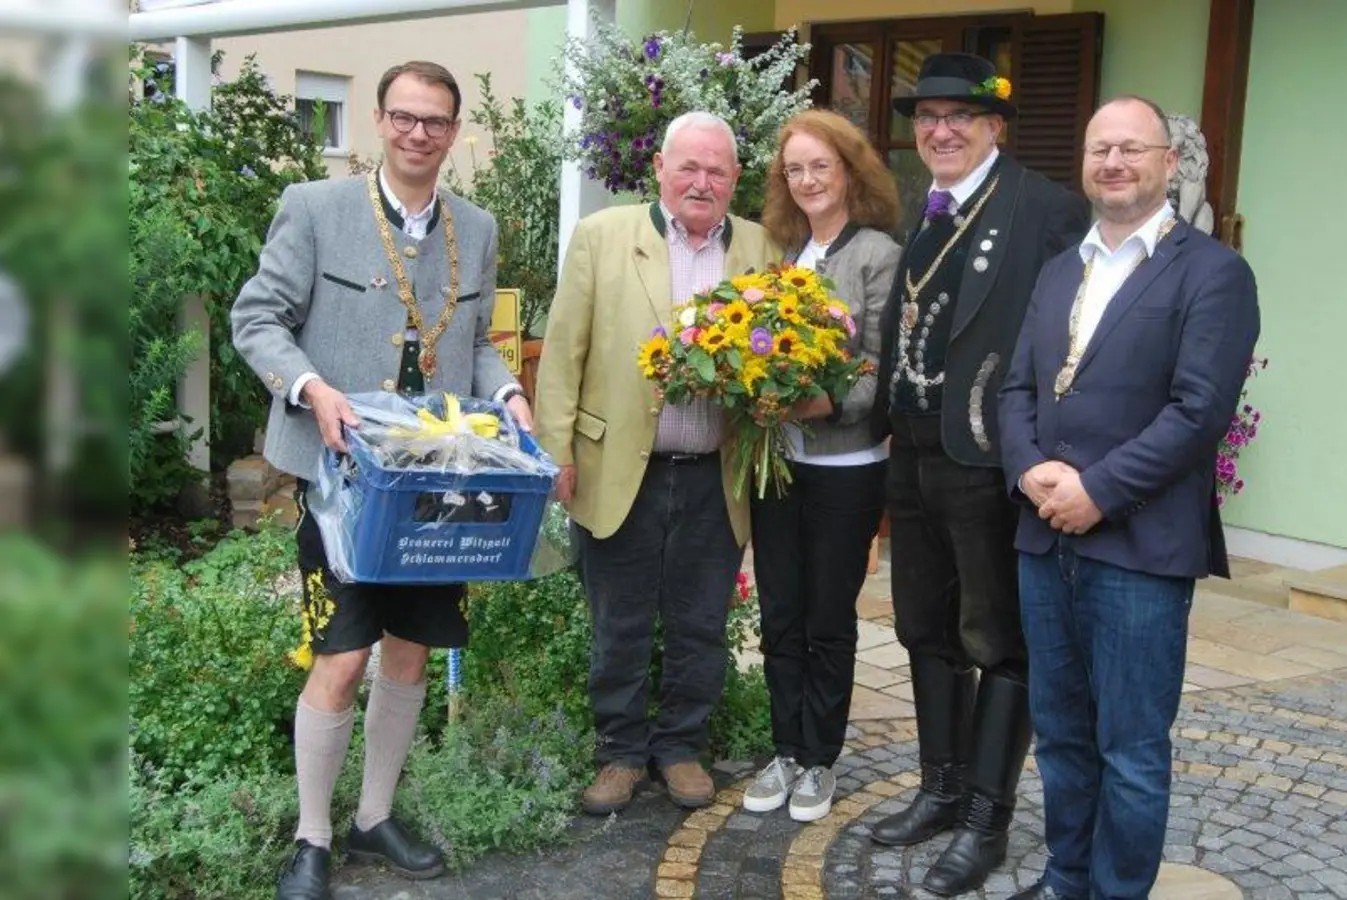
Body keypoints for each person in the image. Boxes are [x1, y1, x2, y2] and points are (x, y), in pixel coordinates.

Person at [231, 61, 531, 900]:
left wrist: (506, 391)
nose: (418, 134)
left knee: (408, 654)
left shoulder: (477, 223)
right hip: (341, 485)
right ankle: (312, 837)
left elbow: (472, 344)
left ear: (454, 131)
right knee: (340, 653)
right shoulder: (315, 208)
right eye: (404, 117)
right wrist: (312, 388)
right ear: (377, 120)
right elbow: (257, 318)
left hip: (438, 484)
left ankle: (373, 817)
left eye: (436, 121)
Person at [996, 95, 1261, 900]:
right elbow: (1015, 387)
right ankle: (1065, 878)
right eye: (1098, 149)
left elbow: (1198, 412)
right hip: (1046, 541)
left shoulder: (1214, 273)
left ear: (1168, 164)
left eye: (1131, 149)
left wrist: (1097, 491)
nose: (1112, 163)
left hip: (1140, 552)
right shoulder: (1058, 270)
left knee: (1133, 751)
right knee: (1064, 740)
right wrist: (1028, 466)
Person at [866, 53, 1091, 896]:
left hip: (990, 460)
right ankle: (942, 789)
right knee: (924, 628)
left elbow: (1075, 339)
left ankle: (987, 821)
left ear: (996, 125)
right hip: (915, 455)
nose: (941, 129)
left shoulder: (1045, 210)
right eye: (927, 117)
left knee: (997, 639)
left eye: (960, 115)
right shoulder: (926, 216)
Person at [534, 111, 782, 817]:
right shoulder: (602, 236)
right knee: (620, 620)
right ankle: (619, 753)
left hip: (715, 474)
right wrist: (557, 452)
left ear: (736, 179)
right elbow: (563, 356)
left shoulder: (762, 249)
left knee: (701, 620)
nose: (701, 182)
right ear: (661, 171)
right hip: (618, 468)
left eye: (717, 171)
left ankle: (679, 748)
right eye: (689, 168)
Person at [739, 109, 902, 823]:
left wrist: (813, 407)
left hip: (846, 465)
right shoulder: (785, 254)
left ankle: (819, 760)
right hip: (781, 464)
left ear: (850, 171)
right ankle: (783, 749)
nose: (806, 179)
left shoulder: (878, 255)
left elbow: (873, 371)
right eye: (794, 168)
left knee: (828, 618)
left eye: (820, 166)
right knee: (779, 613)